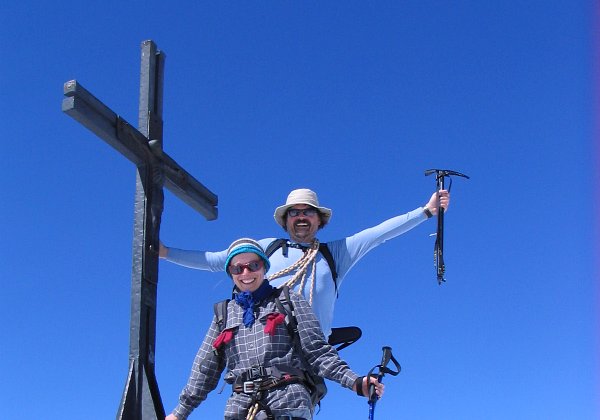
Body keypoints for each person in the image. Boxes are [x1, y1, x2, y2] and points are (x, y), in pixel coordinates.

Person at [161, 188, 449, 338]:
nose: (301, 217)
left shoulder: (335, 254)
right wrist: (165, 253)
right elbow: (215, 260)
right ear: (285, 219)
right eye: (294, 212)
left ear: (319, 219)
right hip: (263, 346)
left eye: (308, 212)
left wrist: (425, 212)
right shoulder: (264, 249)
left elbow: (378, 234)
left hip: (310, 356)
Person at [166, 238, 384, 420]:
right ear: (230, 272)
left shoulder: (289, 301)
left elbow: (317, 351)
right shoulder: (224, 314)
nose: (246, 272)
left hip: (288, 400)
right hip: (241, 408)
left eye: (253, 265)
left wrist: (355, 382)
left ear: (264, 267)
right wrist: (179, 413)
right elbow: (205, 368)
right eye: (237, 268)